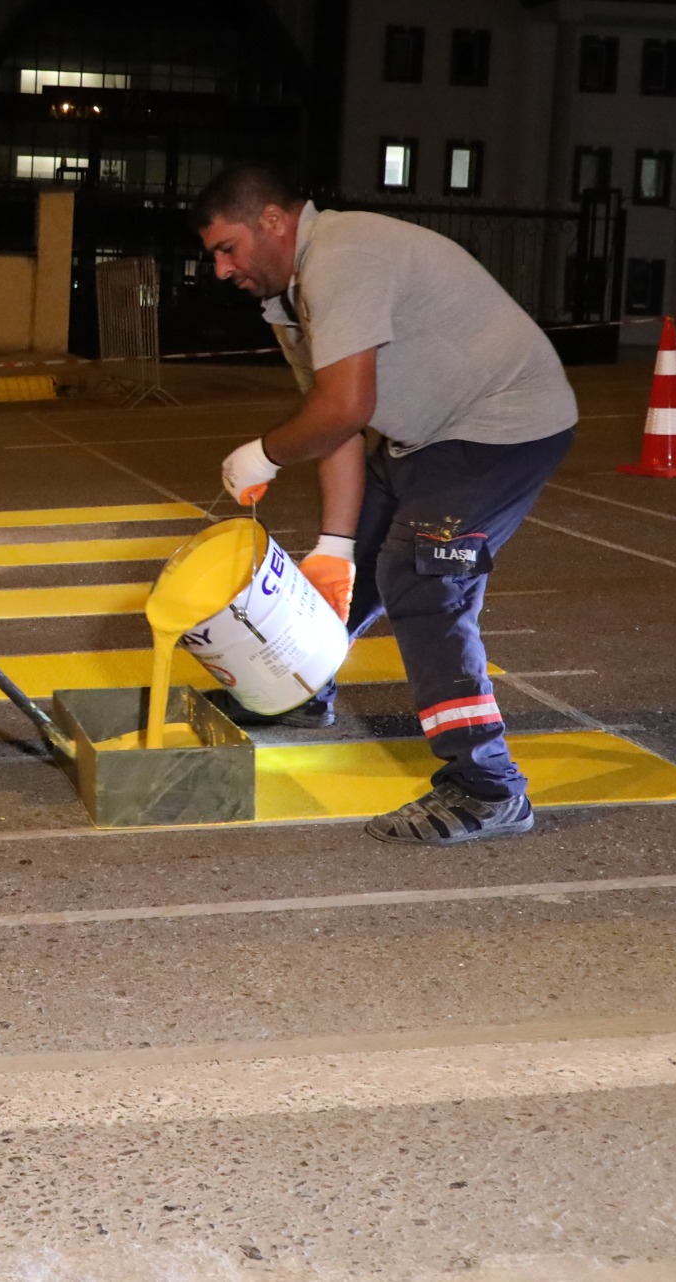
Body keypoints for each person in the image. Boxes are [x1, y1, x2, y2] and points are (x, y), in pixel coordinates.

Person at [194, 159, 578, 846]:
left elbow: (345, 407)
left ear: (274, 222)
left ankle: (488, 788)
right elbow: (336, 424)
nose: (221, 270)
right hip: (426, 436)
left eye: (228, 248)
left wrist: (265, 453)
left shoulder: (345, 258)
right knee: (367, 559)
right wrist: (338, 547)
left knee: (425, 573)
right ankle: (302, 687)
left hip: (504, 430)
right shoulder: (290, 298)